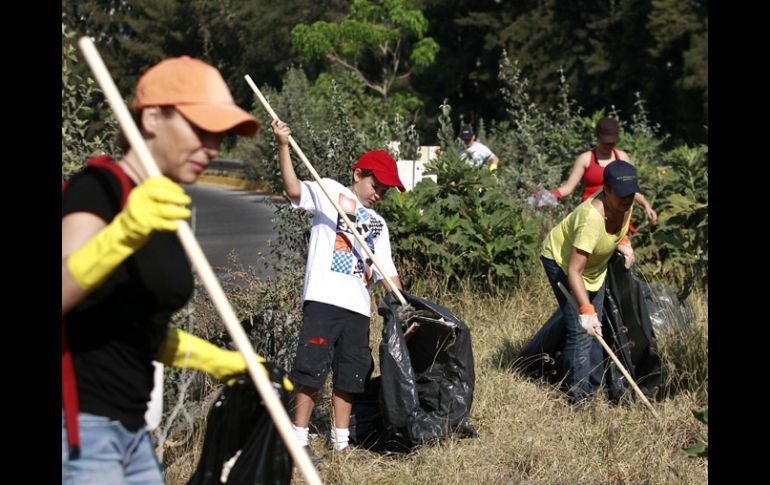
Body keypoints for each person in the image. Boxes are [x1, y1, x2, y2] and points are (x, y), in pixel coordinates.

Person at [62, 56, 265, 484]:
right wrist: (124, 233)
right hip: (78, 428)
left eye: (219, 136)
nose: (212, 148)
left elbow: (134, 329)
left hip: (132, 431)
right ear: (153, 118)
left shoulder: (162, 208)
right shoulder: (100, 190)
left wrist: (219, 361)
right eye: (201, 130)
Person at [271, 119, 404, 459]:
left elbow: (387, 273)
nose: (379, 194)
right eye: (376, 185)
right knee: (312, 370)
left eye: (385, 190)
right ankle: (298, 438)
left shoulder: (379, 224)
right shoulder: (329, 190)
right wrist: (284, 146)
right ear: (358, 174)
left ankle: (340, 443)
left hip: (357, 308)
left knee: (350, 375)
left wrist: (405, 308)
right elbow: (294, 190)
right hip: (324, 299)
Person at [540, 160, 639, 403]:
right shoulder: (591, 219)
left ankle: (595, 387)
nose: (627, 200)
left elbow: (621, 225)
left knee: (598, 326)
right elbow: (574, 271)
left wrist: (624, 242)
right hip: (563, 264)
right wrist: (586, 310)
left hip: (595, 269)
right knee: (581, 329)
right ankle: (579, 397)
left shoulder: (626, 202)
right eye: (622, 195)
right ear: (606, 190)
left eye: (631, 194)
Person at [548, 117, 657, 228]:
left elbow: (630, 188)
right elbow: (569, 187)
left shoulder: (622, 157)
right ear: (598, 138)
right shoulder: (585, 158)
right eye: (606, 142)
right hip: (592, 214)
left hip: (617, 217)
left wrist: (647, 206)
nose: (609, 146)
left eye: (612, 143)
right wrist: (551, 194)